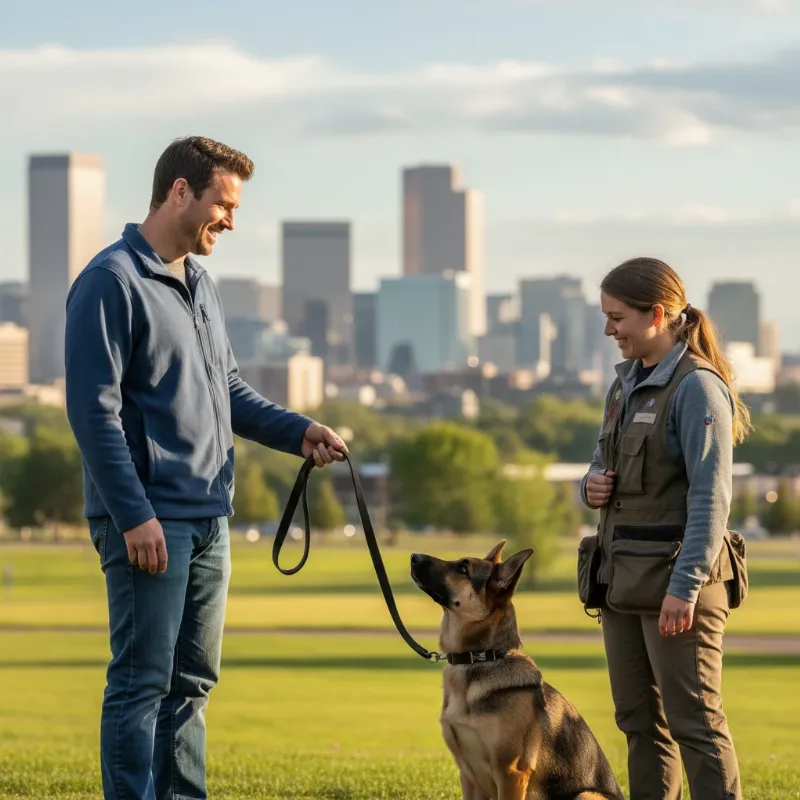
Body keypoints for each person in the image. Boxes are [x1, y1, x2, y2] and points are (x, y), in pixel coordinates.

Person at [64, 135, 347, 800]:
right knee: (142, 683)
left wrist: (299, 431)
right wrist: (134, 515)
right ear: (179, 192)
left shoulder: (201, 283)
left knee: (193, 684)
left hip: (208, 519)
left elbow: (230, 393)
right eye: (223, 204)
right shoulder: (111, 282)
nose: (230, 220)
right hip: (150, 522)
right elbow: (92, 414)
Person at [578, 257, 750, 800]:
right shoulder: (623, 385)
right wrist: (591, 486)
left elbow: (711, 499)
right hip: (621, 583)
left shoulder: (698, 388)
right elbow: (599, 462)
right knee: (637, 723)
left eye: (617, 317)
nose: (609, 330)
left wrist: (687, 586)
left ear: (656, 314)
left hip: (679, 588)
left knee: (694, 725)